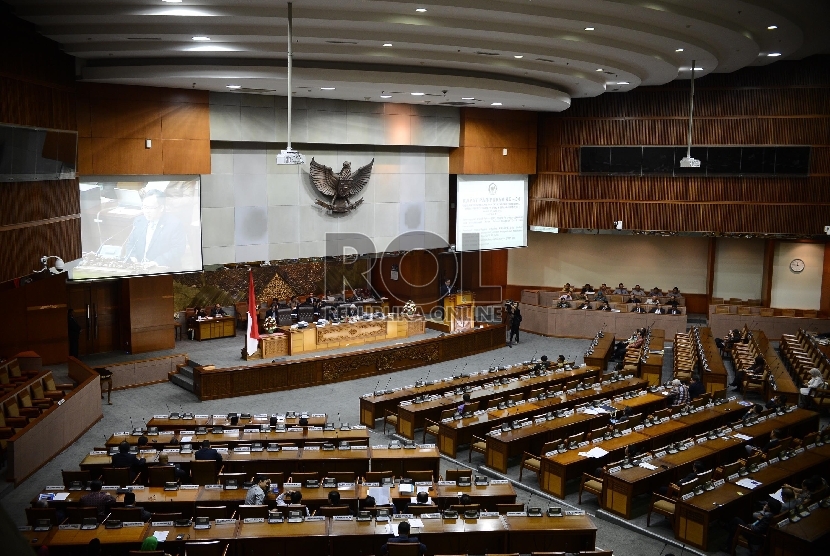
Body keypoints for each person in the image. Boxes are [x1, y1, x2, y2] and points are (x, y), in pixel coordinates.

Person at [122, 188, 186, 269]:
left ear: (161, 208)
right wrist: (132, 256)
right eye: (145, 207)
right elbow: (131, 243)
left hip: (163, 270)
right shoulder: (138, 221)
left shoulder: (174, 224)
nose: (147, 211)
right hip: (139, 269)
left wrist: (157, 262)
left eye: (151, 208)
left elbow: (178, 250)